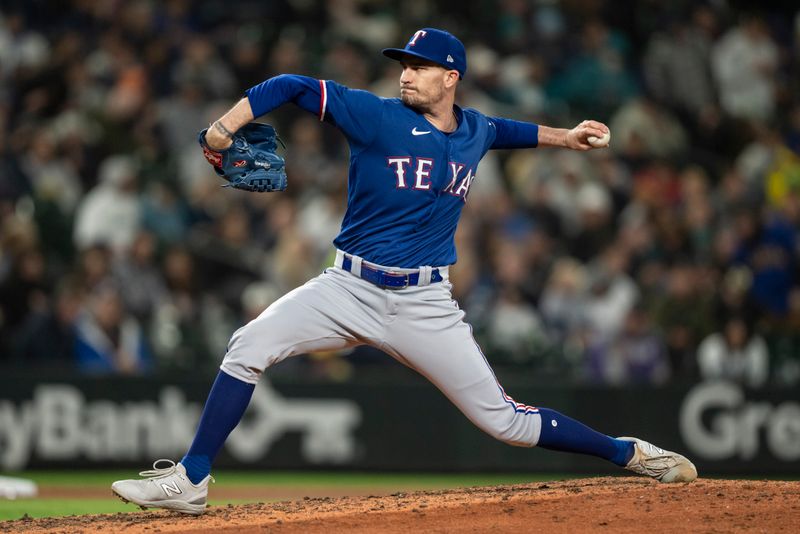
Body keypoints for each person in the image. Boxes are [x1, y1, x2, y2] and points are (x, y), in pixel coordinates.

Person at [112, 28, 696, 515]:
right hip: (346, 286)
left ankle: (628, 453)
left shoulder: (476, 129)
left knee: (505, 423)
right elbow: (290, 85)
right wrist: (224, 126)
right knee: (247, 345)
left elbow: (509, 132)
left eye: (420, 66)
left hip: (425, 304)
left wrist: (564, 138)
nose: (406, 73)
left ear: (451, 78)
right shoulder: (374, 116)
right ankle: (192, 479)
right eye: (404, 64)